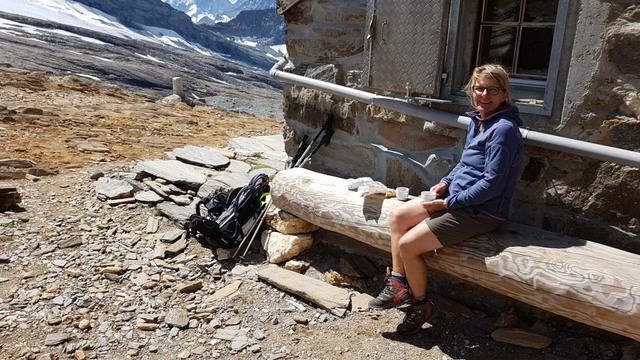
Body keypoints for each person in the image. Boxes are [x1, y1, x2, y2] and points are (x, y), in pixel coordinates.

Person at [369, 64, 524, 335]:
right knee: (398, 216)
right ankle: (397, 283)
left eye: (492, 90)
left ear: (504, 93)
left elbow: (492, 184)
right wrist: (446, 183)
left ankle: (420, 305)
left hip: (481, 211)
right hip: (457, 199)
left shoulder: (503, 129)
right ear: (471, 91)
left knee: (408, 245)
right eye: (479, 88)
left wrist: (448, 203)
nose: (484, 95)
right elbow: (465, 165)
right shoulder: (480, 120)